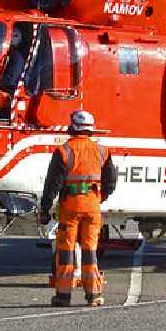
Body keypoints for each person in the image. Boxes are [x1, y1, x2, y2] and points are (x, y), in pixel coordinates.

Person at [39, 110, 116, 307]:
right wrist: (99, 198)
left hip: (70, 207)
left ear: (72, 126)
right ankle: (94, 294)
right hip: (92, 206)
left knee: (66, 250)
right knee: (90, 250)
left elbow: (52, 185)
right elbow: (111, 181)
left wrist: (45, 210)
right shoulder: (102, 151)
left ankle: (63, 296)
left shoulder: (64, 151)